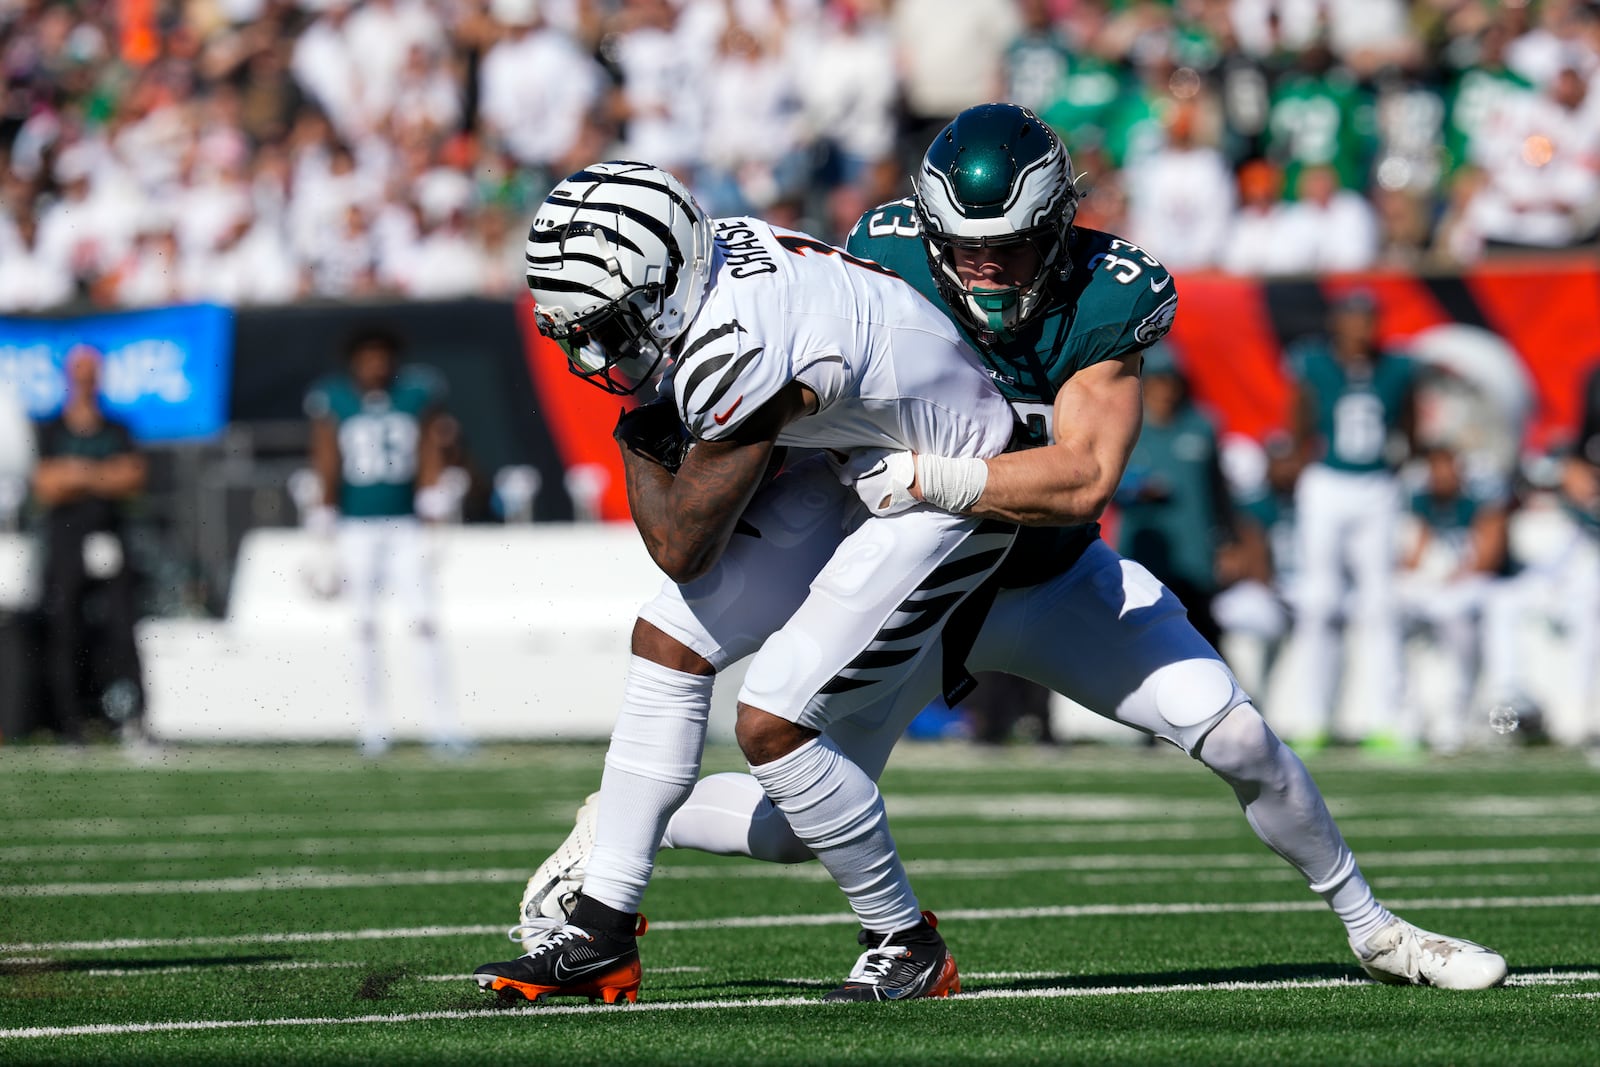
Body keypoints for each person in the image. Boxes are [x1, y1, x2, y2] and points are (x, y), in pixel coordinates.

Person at [501, 108, 1505, 1001]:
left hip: (1041, 571)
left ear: (1057, 228)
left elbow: (1078, 477)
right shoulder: (884, 256)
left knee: (1237, 737)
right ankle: (630, 825)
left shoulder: (1106, 296)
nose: (980, 271)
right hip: (904, 571)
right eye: (960, 249)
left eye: (1008, 249)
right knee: (786, 819)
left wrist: (937, 479)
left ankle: (1376, 929)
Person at [473, 159, 1020, 1005]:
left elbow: (683, 543)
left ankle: (905, 940)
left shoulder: (737, 343)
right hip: (853, 453)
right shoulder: (714, 266)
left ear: (664, 280)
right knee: (671, 640)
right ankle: (600, 933)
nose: (596, 350)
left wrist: (634, 429)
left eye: (609, 327)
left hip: (945, 482)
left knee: (770, 720)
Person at [302, 326, 469, 757]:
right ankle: (372, 723)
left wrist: (432, 499)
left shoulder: (415, 392)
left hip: (405, 522)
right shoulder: (333, 397)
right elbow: (325, 455)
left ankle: (441, 723)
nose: (376, 365)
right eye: (367, 356)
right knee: (363, 624)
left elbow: (431, 446)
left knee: (425, 620)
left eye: (382, 355)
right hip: (356, 525)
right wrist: (323, 514)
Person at [1284, 290, 1418, 752]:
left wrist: (1401, 473)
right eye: (1356, 319)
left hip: (1377, 485)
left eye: (1370, 318)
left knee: (1380, 601)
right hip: (1326, 483)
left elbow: (1409, 425)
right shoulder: (1314, 363)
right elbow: (1299, 422)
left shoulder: (1398, 366)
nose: (1364, 328)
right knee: (1319, 601)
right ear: (1338, 323)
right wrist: (1295, 461)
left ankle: (1390, 720)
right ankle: (1312, 718)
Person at [30, 345, 149, 744]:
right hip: (66, 538)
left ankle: (134, 719)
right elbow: (47, 484)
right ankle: (70, 724)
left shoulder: (116, 429)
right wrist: (102, 475)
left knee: (122, 627)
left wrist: (77, 474)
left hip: (109, 536)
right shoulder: (50, 429)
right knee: (66, 628)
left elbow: (131, 477)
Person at [1113, 344, 1236, 649]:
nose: (1164, 390)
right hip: (1144, 558)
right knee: (1143, 644)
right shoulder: (1126, 428)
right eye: (1156, 381)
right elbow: (1102, 486)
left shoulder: (1201, 426)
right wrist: (1136, 488)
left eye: (1171, 381)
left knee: (1202, 641)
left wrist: (1230, 542)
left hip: (1194, 560)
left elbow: (1219, 490)